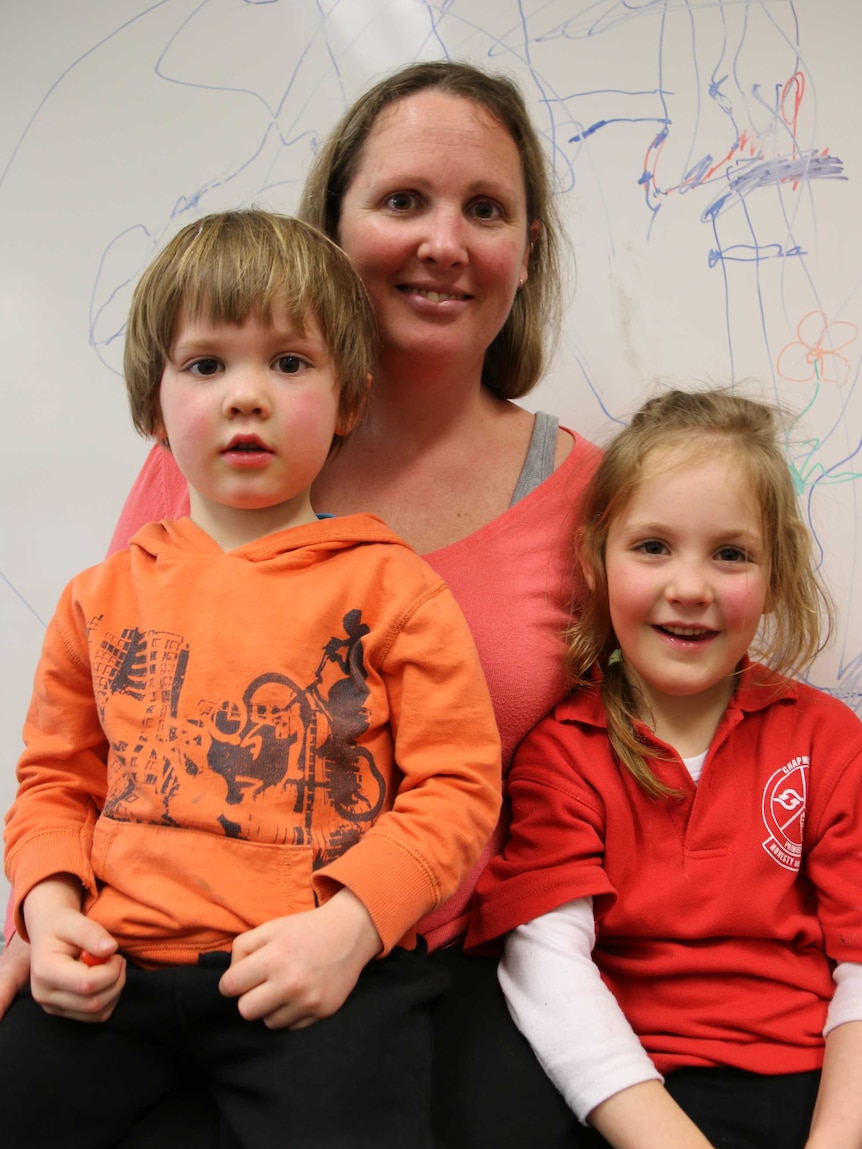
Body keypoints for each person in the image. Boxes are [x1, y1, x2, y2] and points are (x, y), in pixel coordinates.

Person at [0, 61, 603, 1148]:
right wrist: (43, 912)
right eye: (403, 199)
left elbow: (463, 786)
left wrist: (350, 927)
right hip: (123, 966)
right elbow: (62, 776)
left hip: (366, 966)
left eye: (486, 209)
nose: (244, 397)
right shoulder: (121, 575)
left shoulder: (410, 579)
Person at [467, 388, 862, 1149]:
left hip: (815, 1094)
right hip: (632, 1095)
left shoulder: (828, 740)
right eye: (653, 546)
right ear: (596, 557)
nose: (690, 586)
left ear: (775, 572)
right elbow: (548, 967)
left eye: (731, 554)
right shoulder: (561, 755)